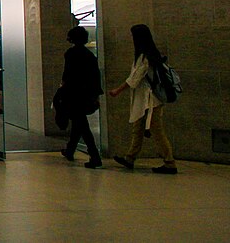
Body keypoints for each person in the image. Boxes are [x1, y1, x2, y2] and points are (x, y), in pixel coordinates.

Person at [109, 24, 177, 174]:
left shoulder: (145, 57)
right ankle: (130, 158)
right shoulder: (149, 55)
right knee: (138, 129)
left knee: (156, 131)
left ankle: (169, 161)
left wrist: (117, 90)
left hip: (151, 101)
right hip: (146, 101)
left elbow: (134, 79)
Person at [60, 25, 103, 168]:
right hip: (86, 94)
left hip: (73, 93)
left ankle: (94, 155)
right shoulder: (90, 55)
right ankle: (70, 149)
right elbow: (95, 76)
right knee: (79, 123)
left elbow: (67, 75)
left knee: (82, 125)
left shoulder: (70, 54)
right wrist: (96, 94)